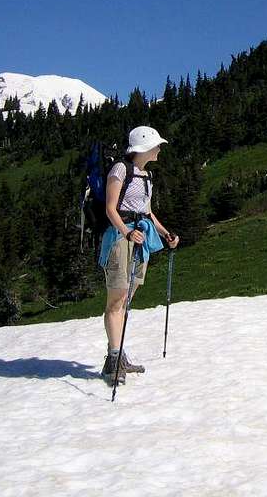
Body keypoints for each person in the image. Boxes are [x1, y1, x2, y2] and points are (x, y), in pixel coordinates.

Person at [98, 125, 179, 383]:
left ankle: (118, 356)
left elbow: (147, 212)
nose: (159, 149)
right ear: (143, 147)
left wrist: (166, 234)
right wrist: (126, 233)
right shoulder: (120, 170)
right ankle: (113, 359)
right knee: (116, 299)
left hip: (140, 238)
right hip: (120, 239)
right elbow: (111, 209)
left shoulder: (146, 175)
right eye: (156, 145)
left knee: (126, 299)